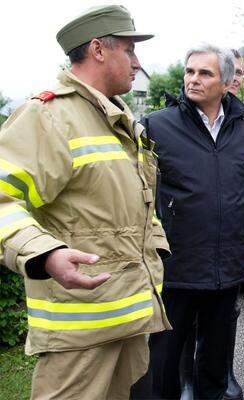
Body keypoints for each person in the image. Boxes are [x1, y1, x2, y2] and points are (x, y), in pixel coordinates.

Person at [0, 5, 170, 399]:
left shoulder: (117, 118)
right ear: (97, 49)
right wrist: (45, 254)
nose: (136, 62)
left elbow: (130, 206)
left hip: (129, 319)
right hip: (81, 333)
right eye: (129, 50)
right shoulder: (50, 117)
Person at [141, 44, 244, 399]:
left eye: (205, 73)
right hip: (177, 265)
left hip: (226, 268)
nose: (193, 79)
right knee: (163, 362)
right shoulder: (156, 126)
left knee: (214, 364)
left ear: (226, 82)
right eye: (190, 71)